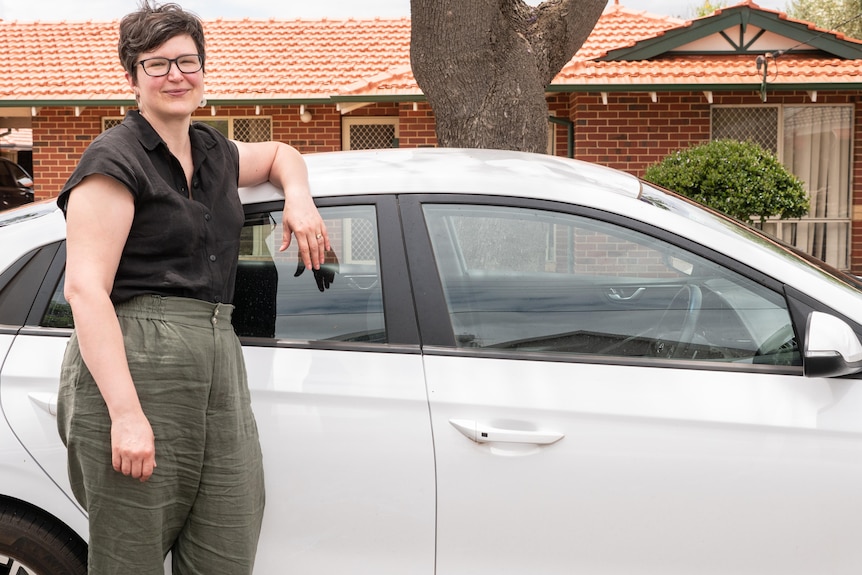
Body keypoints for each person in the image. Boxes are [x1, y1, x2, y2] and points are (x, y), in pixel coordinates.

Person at [55, 2, 330, 573]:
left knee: (227, 546)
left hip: (217, 354)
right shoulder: (114, 159)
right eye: (157, 64)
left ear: (203, 72)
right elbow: (85, 289)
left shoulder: (214, 152)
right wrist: (127, 416)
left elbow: (282, 153)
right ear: (132, 78)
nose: (176, 75)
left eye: (187, 61)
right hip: (137, 359)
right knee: (129, 556)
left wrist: (298, 198)